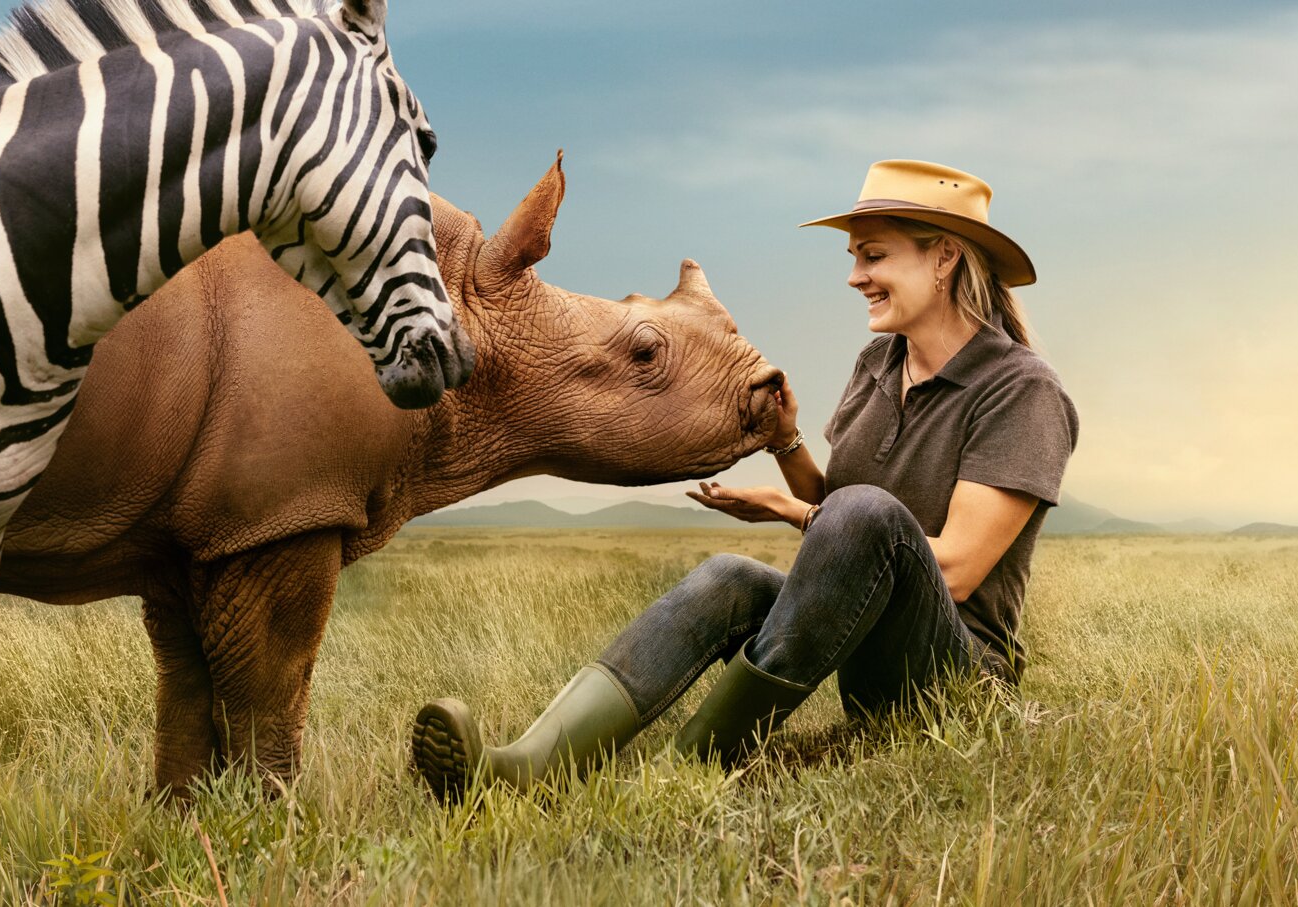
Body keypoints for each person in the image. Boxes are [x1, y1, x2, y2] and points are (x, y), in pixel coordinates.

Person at [409, 160, 1078, 800]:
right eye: (854, 258)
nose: (854, 276)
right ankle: (526, 764)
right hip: (868, 643)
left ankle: (689, 771)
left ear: (944, 257)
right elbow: (844, 519)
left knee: (865, 511)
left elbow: (952, 567)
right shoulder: (879, 364)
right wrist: (785, 441)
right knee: (729, 576)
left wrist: (796, 515)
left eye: (873, 255)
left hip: (957, 681)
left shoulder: (1021, 390)